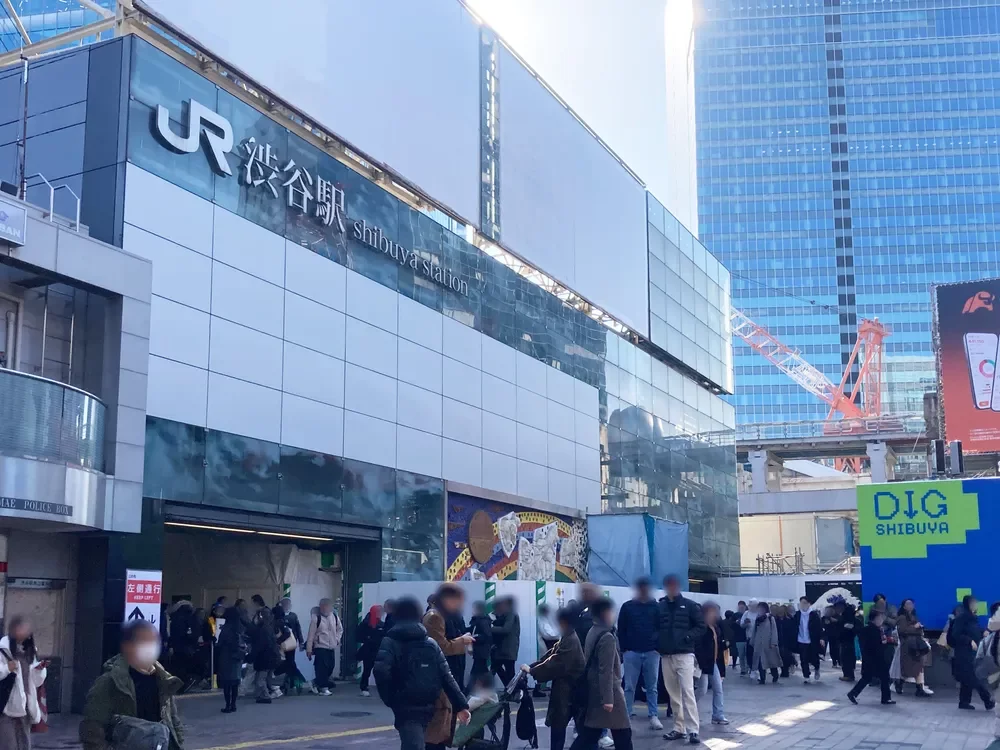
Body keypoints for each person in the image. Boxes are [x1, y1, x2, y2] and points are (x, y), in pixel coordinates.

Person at [374, 597, 470, 750]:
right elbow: (446, 675)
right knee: (429, 742)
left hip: (404, 705)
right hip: (430, 702)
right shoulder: (430, 644)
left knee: (414, 743)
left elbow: (381, 671)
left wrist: (391, 699)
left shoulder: (390, 642)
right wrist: (461, 705)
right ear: (419, 616)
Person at [80, 620, 183, 750]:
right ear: (128, 645)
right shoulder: (110, 681)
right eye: (144, 641)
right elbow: (92, 729)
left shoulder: (164, 679)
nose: (150, 647)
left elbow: (173, 721)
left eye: (154, 641)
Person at [570, 598, 633, 750]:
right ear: (605, 614)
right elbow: (606, 670)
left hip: (595, 690)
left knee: (590, 734)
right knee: (623, 734)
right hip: (610, 693)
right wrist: (608, 699)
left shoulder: (594, 631)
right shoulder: (607, 637)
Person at [522, 608, 586, 750]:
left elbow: (556, 663)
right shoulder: (567, 637)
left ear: (563, 622)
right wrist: (532, 666)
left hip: (572, 691)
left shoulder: (571, 640)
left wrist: (532, 670)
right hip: (568, 690)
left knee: (564, 728)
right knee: (563, 727)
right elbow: (550, 655)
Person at [657, 573, 705, 744]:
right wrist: (658, 643)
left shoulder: (690, 606)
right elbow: (655, 627)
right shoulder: (660, 606)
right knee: (673, 694)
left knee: (687, 691)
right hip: (666, 655)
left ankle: (693, 730)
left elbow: (701, 627)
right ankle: (679, 728)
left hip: (684, 654)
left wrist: (687, 638)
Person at [423, 584, 475, 719]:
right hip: (442, 669)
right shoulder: (435, 617)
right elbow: (440, 647)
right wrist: (462, 640)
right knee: (443, 714)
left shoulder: (450, 615)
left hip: (453, 664)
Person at [617, 576, 663, 730]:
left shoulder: (656, 607)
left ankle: (653, 715)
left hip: (651, 652)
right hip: (632, 652)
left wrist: (657, 648)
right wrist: (625, 648)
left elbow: (660, 628)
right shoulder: (627, 607)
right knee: (629, 686)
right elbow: (621, 629)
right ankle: (627, 715)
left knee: (652, 686)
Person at [0, 616, 47, 749]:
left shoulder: (31, 652)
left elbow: (37, 683)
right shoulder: (3, 650)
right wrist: (6, 669)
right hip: (6, 705)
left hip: (26, 705)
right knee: (8, 744)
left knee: (24, 744)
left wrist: (39, 670)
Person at [949, 594, 995, 711]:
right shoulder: (962, 618)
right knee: (974, 676)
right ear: (968, 604)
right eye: (974, 603)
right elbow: (956, 634)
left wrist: (982, 634)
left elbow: (972, 632)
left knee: (967, 677)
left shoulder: (973, 618)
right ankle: (988, 699)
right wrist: (969, 641)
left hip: (972, 652)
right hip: (964, 652)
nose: (976, 605)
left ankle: (964, 702)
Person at [847, 608, 895, 706]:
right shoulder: (872, 630)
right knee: (883, 677)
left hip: (871, 658)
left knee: (868, 677)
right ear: (875, 619)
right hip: (875, 658)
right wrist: (885, 643)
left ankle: (853, 693)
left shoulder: (872, 629)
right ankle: (885, 698)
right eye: (880, 618)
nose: (881, 620)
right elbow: (875, 645)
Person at [694, 601, 729, 726]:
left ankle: (718, 715)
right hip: (703, 663)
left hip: (713, 663)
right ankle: (688, 708)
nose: (716, 614)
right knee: (702, 690)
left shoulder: (715, 627)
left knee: (718, 688)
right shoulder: (702, 627)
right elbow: (698, 646)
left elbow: (717, 646)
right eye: (713, 612)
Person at [894, 598, 932, 697]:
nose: (911, 605)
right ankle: (900, 683)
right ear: (904, 606)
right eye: (908, 603)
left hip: (916, 645)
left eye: (912, 603)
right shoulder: (902, 618)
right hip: (908, 646)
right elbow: (902, 630)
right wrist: (914, 628)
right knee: (908, 667)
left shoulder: (914, 616)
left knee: (918, 667)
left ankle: (919, 688)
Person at [306, 598, 343, 696]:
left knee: (331, 666)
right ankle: (323, 688)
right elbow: (311, 635)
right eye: (323, 606)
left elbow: (340, 629)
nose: (325, 608)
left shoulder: (334, 617)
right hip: (320, 646)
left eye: (327, 606)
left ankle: (315, 682)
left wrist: (337, 639)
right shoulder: (316, 618)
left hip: (331, 646)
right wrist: (309, 649)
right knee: (321, 668)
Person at [216, 605, 247, 713]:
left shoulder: (226, 628)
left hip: (226, 657)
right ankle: (233, 704)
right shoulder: (240, 627)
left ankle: (227, 705)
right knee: (235, 682)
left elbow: (220, 643)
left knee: (227, 683)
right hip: (237, 657)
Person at [249, 604, 281, 703]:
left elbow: (260, 645)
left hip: (264, 658)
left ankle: (265, 696)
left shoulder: (262, 629)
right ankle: (262, 695)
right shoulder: (269, 627)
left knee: (260, 679)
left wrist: (251, 656)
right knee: (266, 678)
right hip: (271, 657)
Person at [274, 598, 306, 695]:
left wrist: (301, 641)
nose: (288, 605)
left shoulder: (292, 616)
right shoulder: (281, 616)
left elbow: (298, 629)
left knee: (289, 663)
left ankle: (295, 680)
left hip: (289, 644)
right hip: (286, 644)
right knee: (290, 664)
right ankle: (294, 681)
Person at [491, 596, 521, 687]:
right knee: (501, 669)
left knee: (508, 671)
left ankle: (514, 690)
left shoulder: (510, 614)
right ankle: (511, 690)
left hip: (507, 648)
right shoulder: (508, 614)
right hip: (505, 649)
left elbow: (506, 629)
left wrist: (490, 628)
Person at [793, 596, 823, 684]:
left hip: (812, 640)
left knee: (814, 657)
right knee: (803, 659)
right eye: (801, 603)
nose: (803, 605)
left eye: (805, 603)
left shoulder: (814, 615)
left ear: (809, 604)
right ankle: (806, 675)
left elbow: (819, 627)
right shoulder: (797, 614)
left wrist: (821, 638)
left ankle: (817, 668)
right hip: (801, 640)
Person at [357, 605, 385, 697]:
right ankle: (364, 687)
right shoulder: (365, 624)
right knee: (367, 670)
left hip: (378, 650)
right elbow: (358, 636)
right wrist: (368, 639)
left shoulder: (382, 624)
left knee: (379, 670)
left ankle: (381, 688)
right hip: (368, 651)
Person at [751, 602, 781, 685]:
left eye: (761, 608)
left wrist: (774, 642)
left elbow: (774, 631)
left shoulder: (770, 618)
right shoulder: (757, 618)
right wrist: (753, 641)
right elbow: (754, 631)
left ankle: (775, 676)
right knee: (760, 662)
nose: (760, 610)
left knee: (771, 661)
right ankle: (762, 678)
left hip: (768, 644)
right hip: (759, 643)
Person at [534, 603, 560, 697]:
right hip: (546, 646)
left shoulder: (547, 619)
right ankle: (538, 688)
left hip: (549, 647)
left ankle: (541, 687)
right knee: (545, 667)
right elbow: (548, 634)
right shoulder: (542, 620)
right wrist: (559, 634)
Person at [832, 598, 859, 681]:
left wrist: (837, 622)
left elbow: (847, 625)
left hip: (846, 638)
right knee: (847, 656)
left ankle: (848, 675)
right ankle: (848, 673)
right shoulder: (847, 613)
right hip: (847, 638)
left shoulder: (847, 614)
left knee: (846, 657)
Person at [468, 601, 493, 681]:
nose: (472, 611)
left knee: (475, 672)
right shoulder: (477, 620)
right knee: (481, 671)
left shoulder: (483, 621)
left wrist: (474, 637)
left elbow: (487, 636)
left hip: (482, 651)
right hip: (479, 651)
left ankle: (467, 691)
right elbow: (472, 630)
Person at [774, 604, 797, 678]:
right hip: (778, 641)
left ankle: (785, 670)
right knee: (780, 656)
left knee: (786, 656)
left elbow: (793, 631)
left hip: (787, 641)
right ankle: (784, 669)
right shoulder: (775, 620)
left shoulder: (789, 620)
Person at [741, 599, 758, 674]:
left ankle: (758, 669)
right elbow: (742, 625)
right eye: (750, 606)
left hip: (758, 638)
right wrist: (745, 623)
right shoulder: (746, 613)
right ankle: (751, 668)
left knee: (758, 655)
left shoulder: (759, 613)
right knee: (749, 655)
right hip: (749, 637)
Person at [732, 602, 749, 675]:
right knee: (741, 655)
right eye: (740, 607)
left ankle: (748, 668)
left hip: (748, 637)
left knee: (747, 655)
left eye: (742, 607)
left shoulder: (749, 614)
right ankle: (743, 669)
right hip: (739, 638)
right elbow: (731, 625)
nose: (741, 609)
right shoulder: (735, 615)